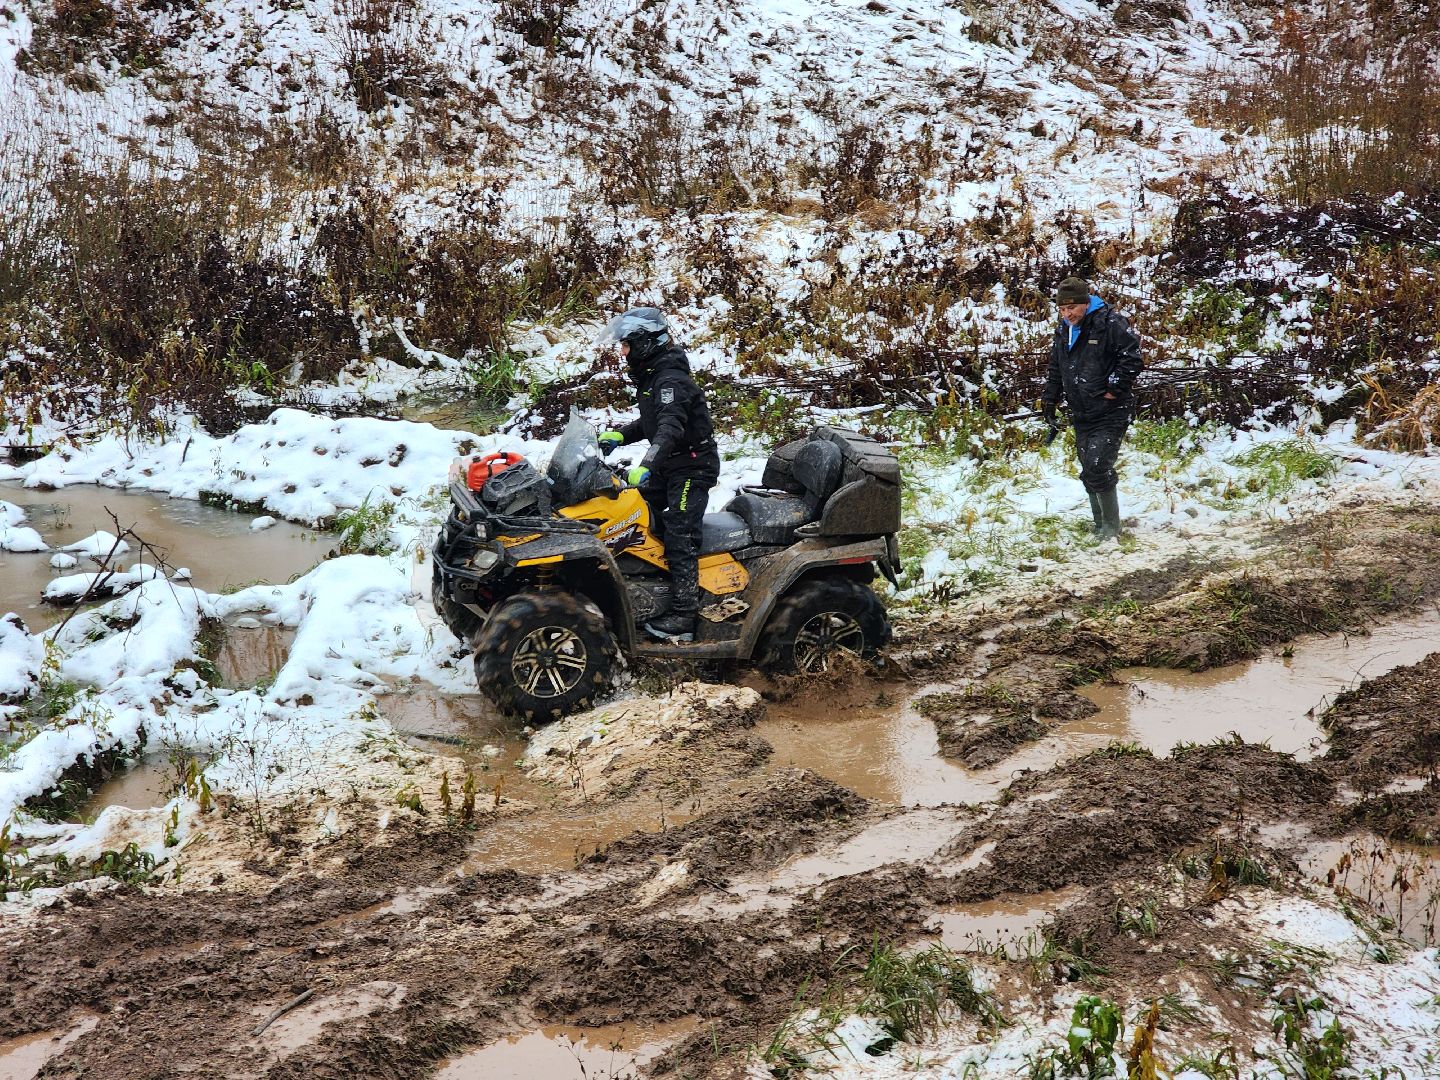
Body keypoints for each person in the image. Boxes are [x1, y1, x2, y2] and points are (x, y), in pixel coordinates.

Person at [596, 307, 720, 642]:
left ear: (645, 342)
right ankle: (648, 587)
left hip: (693, 467)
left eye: (626, 344)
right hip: (672, 464)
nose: (622, 352)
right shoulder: (655, 374)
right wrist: (622, 434)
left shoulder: (670, 380)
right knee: (633, 510)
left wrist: (647, 464)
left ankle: (684, 612)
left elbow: (669, 429)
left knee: (680, 528)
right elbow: (652, 422)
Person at [1041, 276, 1144, 540]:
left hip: (1111, 411)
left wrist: (1113, 388)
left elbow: (1131, 359)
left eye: (1072, 308)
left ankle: (1111, 528)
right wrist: (1050, 400)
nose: (1067, 314)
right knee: (1088, 466)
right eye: (1062, 309)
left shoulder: (1110, 323)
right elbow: (1057, 366)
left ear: (1086, 303)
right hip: (1082, 411)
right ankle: (1099, 525)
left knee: (1098, 465)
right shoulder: (1065, 329)